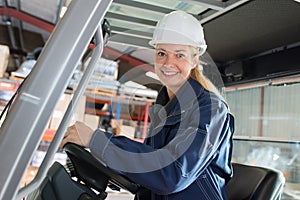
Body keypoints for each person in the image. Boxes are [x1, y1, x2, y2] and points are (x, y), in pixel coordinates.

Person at [60, 10, 235, 200]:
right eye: (162, 53)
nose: (168, 63)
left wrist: (96, 140)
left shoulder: (210, 108)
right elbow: (149, 169)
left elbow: (172, 173)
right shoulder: (164, 108)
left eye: (179, 55)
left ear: (194, 60)